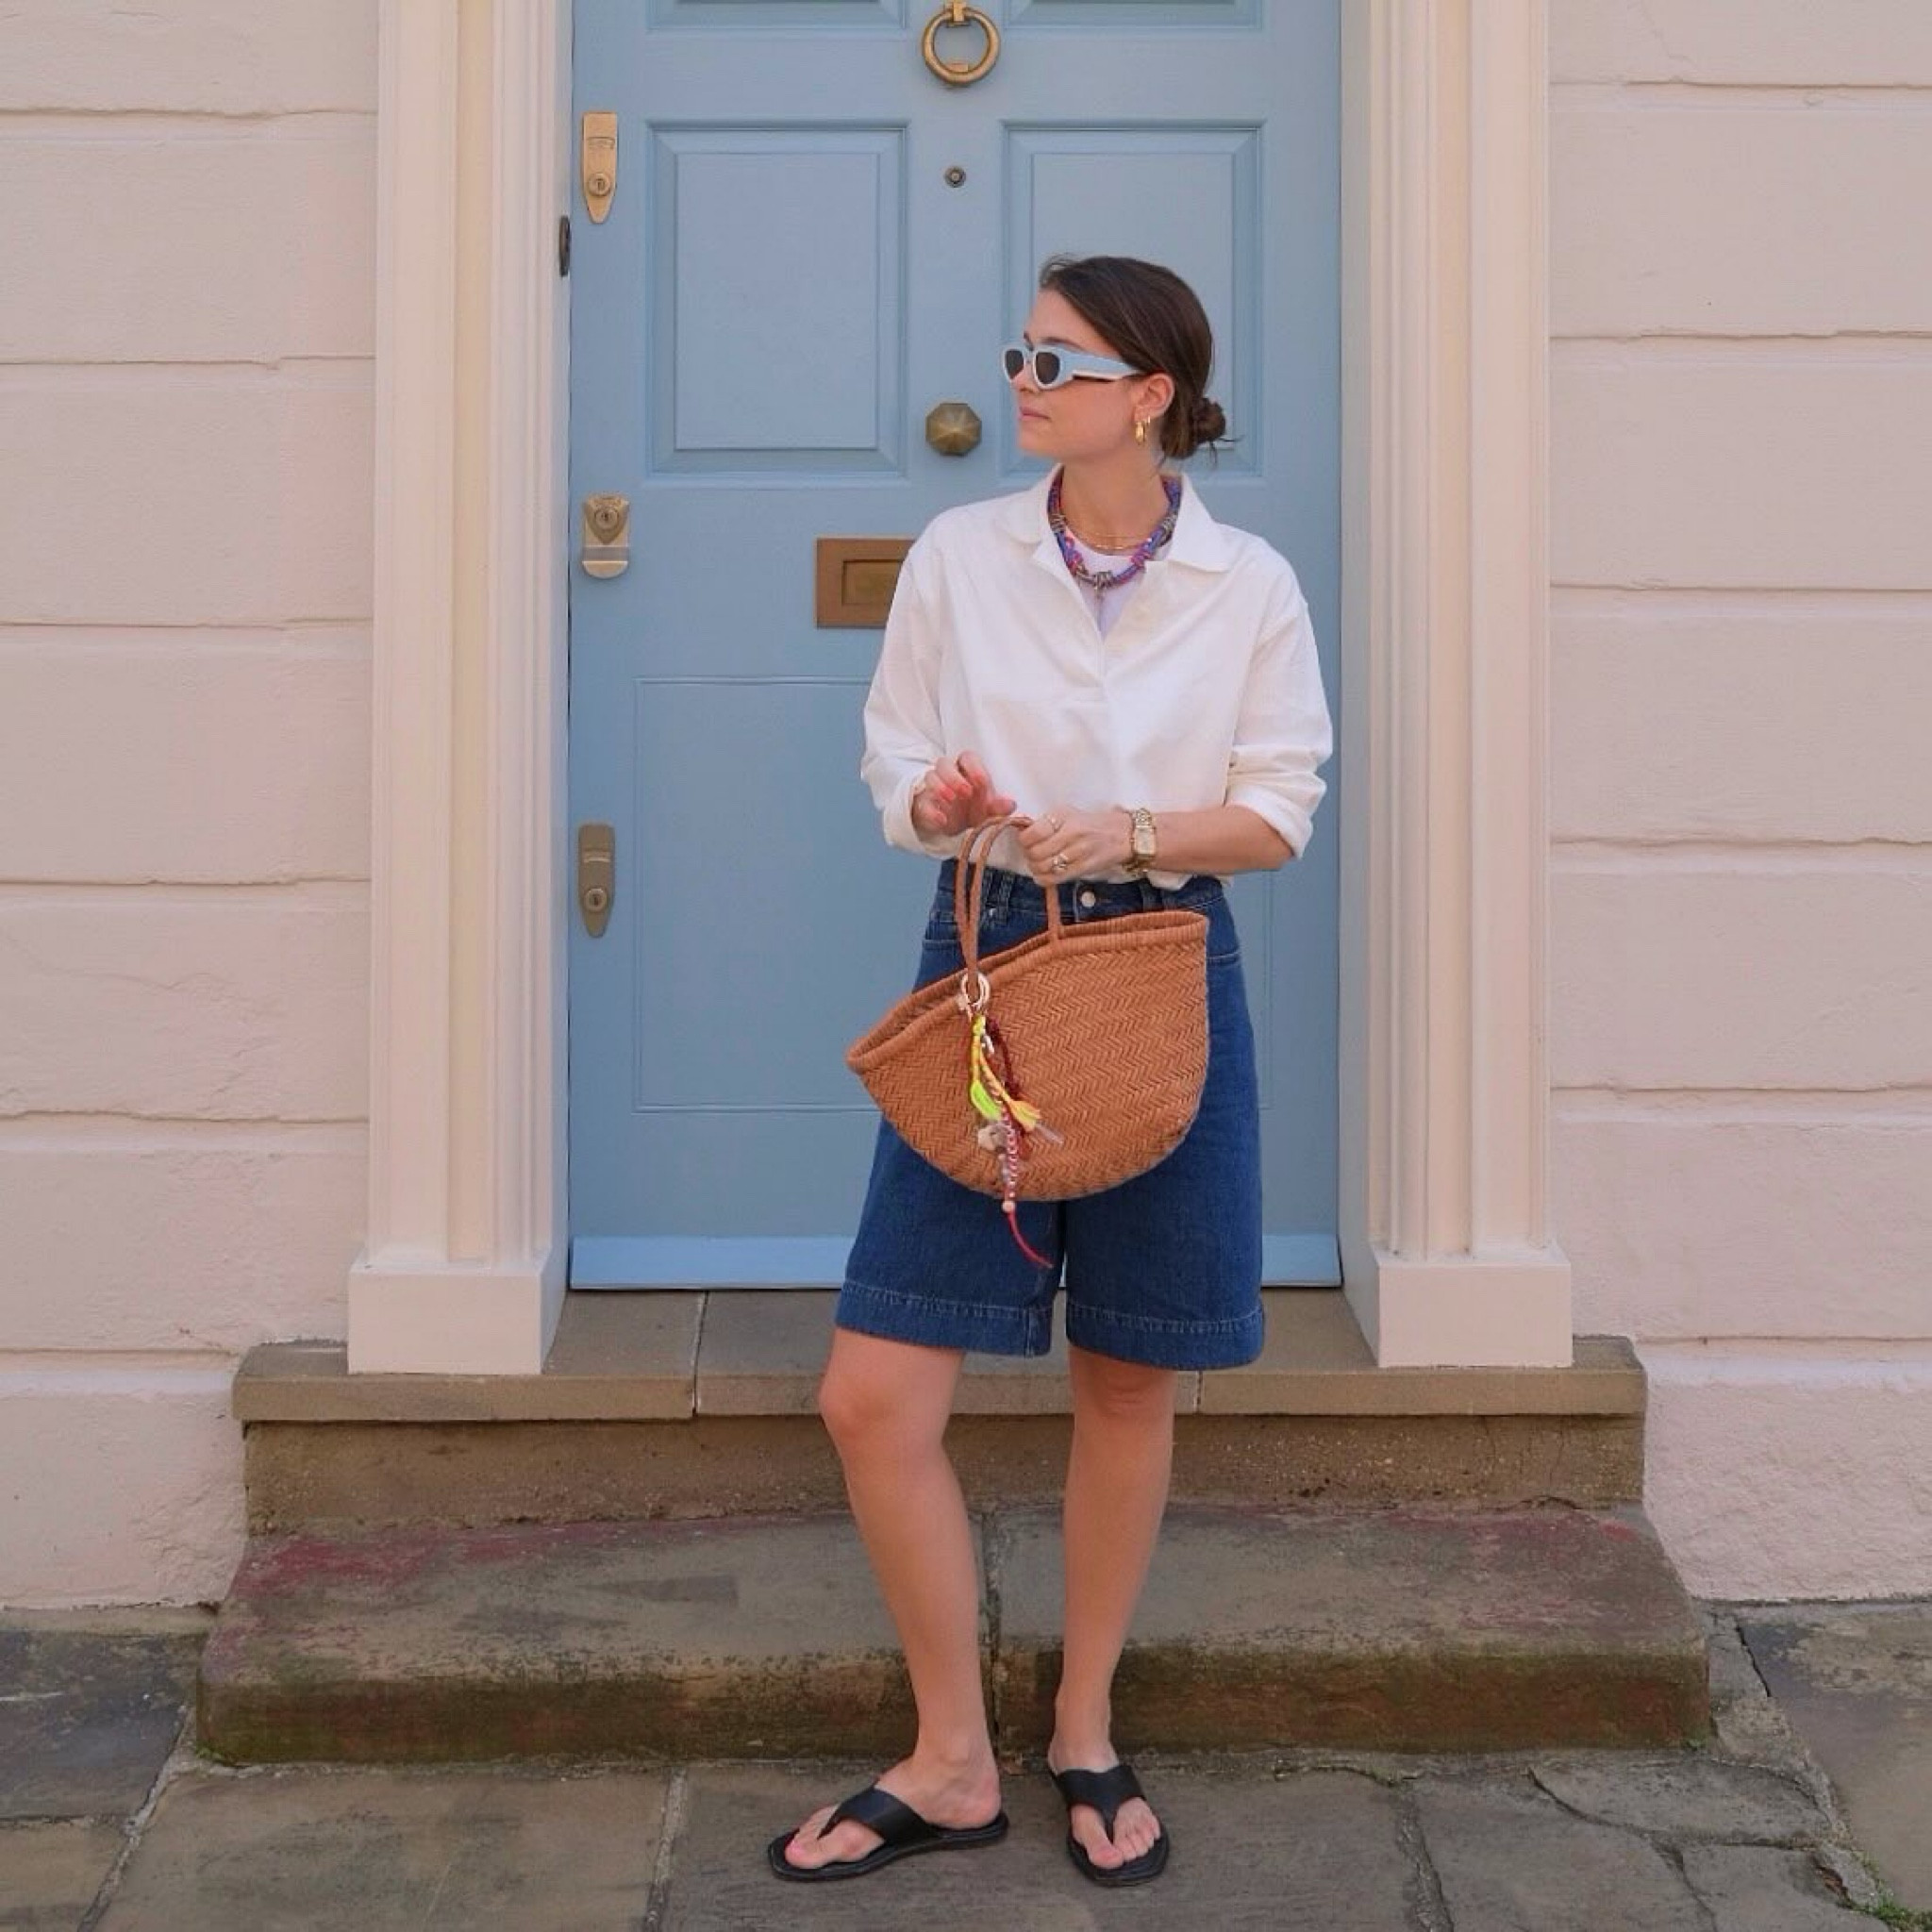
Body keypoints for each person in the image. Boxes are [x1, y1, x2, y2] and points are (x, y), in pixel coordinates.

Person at [768, 255, 1334, 1887]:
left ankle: (1083, 1725)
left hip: (1164, 964)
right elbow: (892, 752)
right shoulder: (962, 554)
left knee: (1130, 1374)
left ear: (1150, 396)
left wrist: (1137, 831)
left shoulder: (1247, 584)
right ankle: (952, 1757)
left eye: (1059, 361)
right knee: (872, 1394)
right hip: (991, 960)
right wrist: (937, 803)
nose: (1025, 382)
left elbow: (1279, 809)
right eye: (1021, 354)